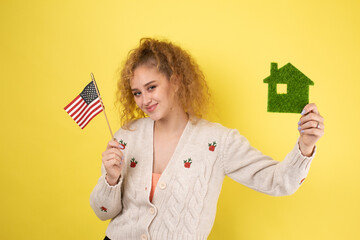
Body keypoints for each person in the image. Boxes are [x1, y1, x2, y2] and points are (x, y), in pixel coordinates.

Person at [90, 38, 324, 240]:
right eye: (137, 93)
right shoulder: (127, 136)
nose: (144, 100)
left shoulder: (218, 141)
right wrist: (111, 179)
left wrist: (305, 146)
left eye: (152, 87)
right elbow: (103, 212)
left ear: (176, 81)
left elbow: (279, 182)